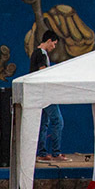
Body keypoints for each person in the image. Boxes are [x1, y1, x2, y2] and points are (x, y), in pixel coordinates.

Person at [30, 30, 65, 160]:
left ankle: (42, 152)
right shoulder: (41, 54)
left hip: (38, 94)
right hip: (45, 93)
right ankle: (56, 151)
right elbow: (42, 72)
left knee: (44, 123)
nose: (54, 47)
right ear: (49, 40)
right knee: (58, 121)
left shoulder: (35, 52)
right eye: (54, 44)